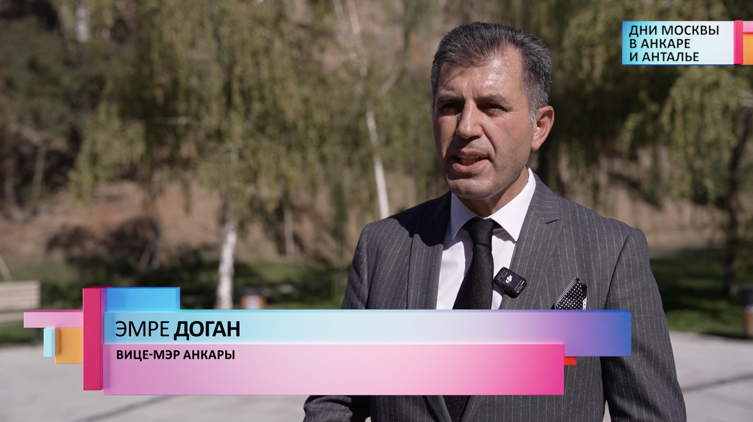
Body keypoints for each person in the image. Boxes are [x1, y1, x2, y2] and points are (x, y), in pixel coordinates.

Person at [304, 22, 686, 422]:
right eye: (450, 106)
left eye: (492, 107)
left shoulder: (609, 253)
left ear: (539, 127)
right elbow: (334, 402)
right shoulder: (383, 246)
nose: (466, 127)